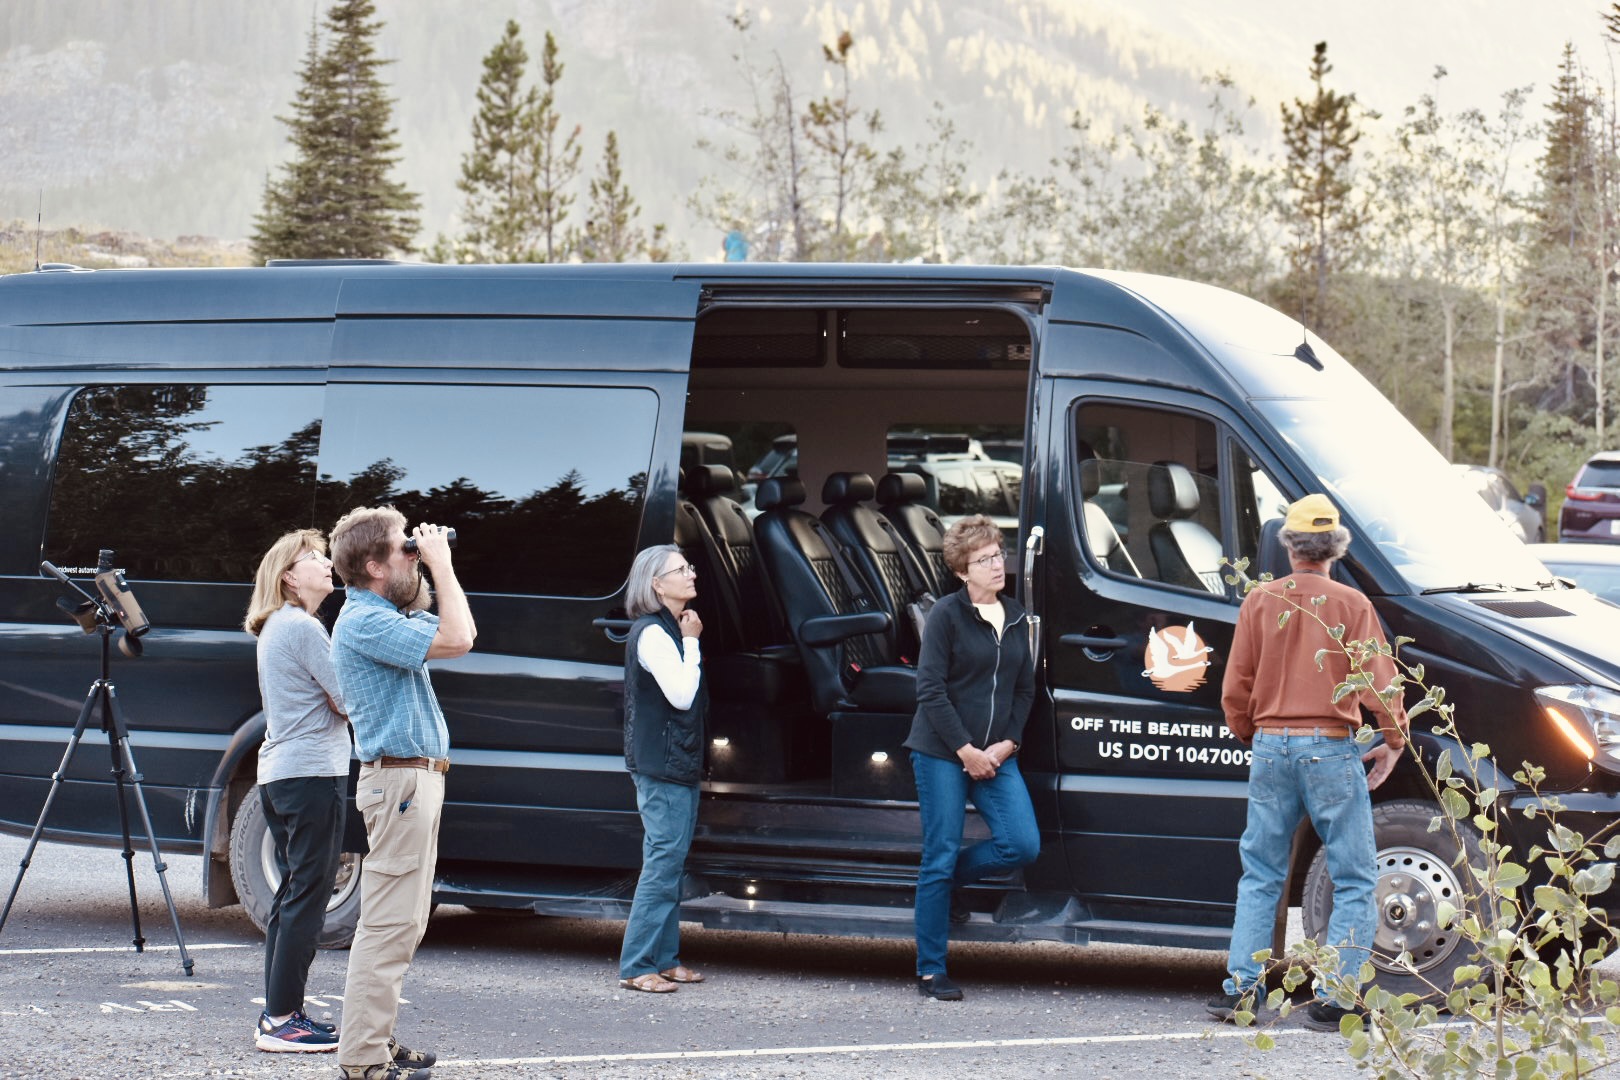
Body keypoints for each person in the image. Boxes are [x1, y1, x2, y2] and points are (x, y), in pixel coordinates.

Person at [1208, 493, 1408, 1031]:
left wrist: (1255, 732)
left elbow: (1236, 687)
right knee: (1354, 875)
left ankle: (1240, 994)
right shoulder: (1351, 604)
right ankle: (1338, 999)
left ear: (1290, 545)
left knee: (1261, 872)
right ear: (1335, 548)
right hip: (1329, 744)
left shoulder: (1259, 600)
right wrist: (1393, 738)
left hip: (1272, 744)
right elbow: (1377, 682)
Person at [328, 507, 475, 1080]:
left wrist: (419, 560)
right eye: (402, 549)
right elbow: (460, 636)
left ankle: (377, 1040)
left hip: (412, 780)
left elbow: (422, 606)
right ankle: (362, 1057)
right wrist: (439, 562)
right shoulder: (363, 621)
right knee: (388, 924)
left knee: (407, 921)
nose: (413, 553)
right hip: (399, 783)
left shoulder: (381, 611)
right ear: (372, 566)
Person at [905, 514, 1041, 1001]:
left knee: (1021, 844)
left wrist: (1007, 745)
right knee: (938, 853)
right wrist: (966, 751)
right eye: (984, 559)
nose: (996, 565)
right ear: (963, 570)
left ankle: (944, 886)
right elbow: (930, 689)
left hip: (996, 754)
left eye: (998, 555)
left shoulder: (1019, 617)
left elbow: (1024, 690)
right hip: (943, 751)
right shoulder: (946, 614)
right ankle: (930, 970)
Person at [243, 529, 348, 1053]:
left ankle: (278, 1013)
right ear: (289, 575)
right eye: (315, 558)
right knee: (308, 896)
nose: (327, 564)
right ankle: (284, 1019)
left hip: (281, 773)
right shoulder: (304, 628)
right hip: (310, 773)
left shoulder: (279, 627)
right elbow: (346, 699)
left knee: (291, 895)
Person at [617, 543, 709, 993]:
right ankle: (637, 965)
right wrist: (692, 644)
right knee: (662, 862)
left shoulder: (669, 628)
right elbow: (681, 695)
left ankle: (666, 958)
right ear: (657, 584)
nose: (691, 574)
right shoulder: (654, 633)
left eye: (688, 567)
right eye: (680, 569)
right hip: (662, 765)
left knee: (671, 861)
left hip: (677, 761)